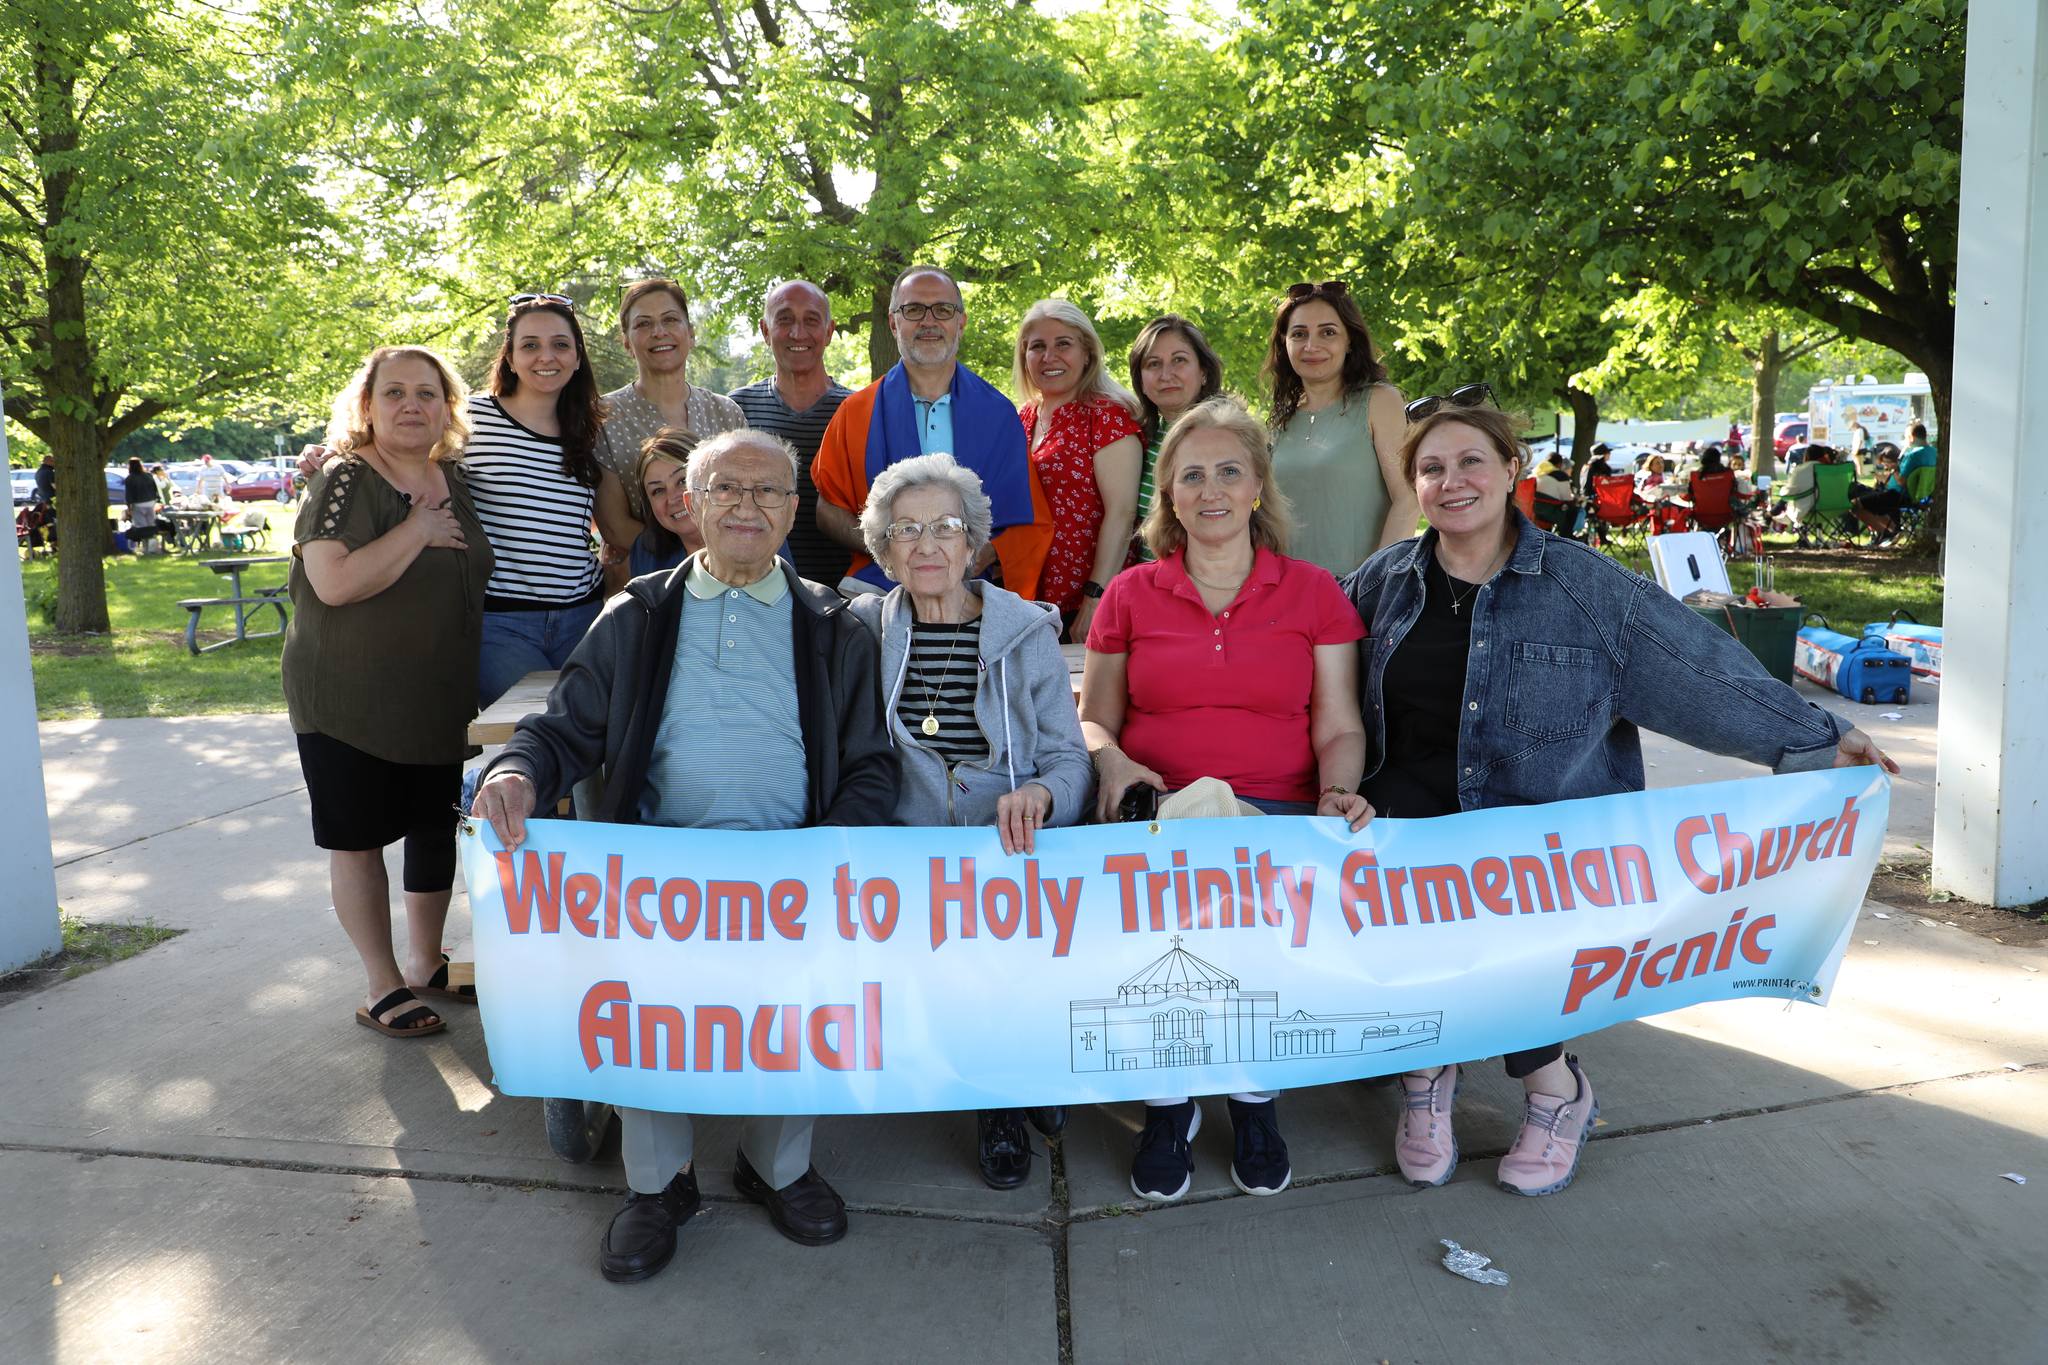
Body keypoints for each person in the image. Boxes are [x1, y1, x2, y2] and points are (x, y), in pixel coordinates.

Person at [1341, 390, 1896, 1199]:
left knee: (1519, 982)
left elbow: (1699, 673)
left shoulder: (1587, 588)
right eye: (1430, 468)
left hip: (1540, 852)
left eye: (1470, 461)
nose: (1450, 481)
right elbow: (1308, 673)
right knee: (1418, 976)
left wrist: (1811, 738)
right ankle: (1426, 1083)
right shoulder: (1382, 581)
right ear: (1412, 483)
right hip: (1407, 835)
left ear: (1510, 469)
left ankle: (1557, 1094)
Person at [469, 427, 897, 1284]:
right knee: (650, 1021)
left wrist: (834, 849)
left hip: (792, 872)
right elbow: (564, 727)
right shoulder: (638, 614)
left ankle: (776, 1166)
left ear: (792, 510)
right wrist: (514, 771)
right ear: (690, 506)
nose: (747, 505)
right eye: (726, 489)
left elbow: (870, 763)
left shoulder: (835, 622)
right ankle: (658, 1185)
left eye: (768, 491)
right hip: (661, 877)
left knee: (793, 1021)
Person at [1079, 396, 1373, 1204]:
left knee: (1244, 948)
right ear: (1169, 495)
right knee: (1166, 943)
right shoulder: (1132, 594)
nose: (1211, 489)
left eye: (1229, 471)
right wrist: (1111, 763)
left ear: (1257, 488)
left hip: (1276, 813)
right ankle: (1169, 1106)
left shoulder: (1313, 592)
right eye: (1191, 474)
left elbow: (1339, 725)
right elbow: (1095, 722)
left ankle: (1252, 1100)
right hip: (1158, 811)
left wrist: (1338, 792)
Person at [846, 452, 1093, 1190]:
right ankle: (1003, 1085)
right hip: (911, 855)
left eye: (944, 527)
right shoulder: (861, 632)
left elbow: (1071, 762)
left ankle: (1007, 1093)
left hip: (1009, 855)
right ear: (883, 549)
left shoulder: (1028, 634)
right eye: (906, 530)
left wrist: (1042, 795)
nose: (926, 545)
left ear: (973, 541)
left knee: (1002, 956)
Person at [282, 346, 494, 1042]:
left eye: (427, 393)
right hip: (349, 700)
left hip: (436, 696)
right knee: (359, 837)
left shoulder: (453, 478)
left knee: (435, 829)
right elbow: (333, 583)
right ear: (366, 407)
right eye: (394, 392)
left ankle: (425, 961)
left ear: (447, 407)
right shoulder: (345, 479)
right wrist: (417, 531)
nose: (411, 405)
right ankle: (381, 984)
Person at [812, 265, 1052, 599]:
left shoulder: (997, 413)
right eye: (913, 310)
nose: (929, 321)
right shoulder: (855, 413)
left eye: (943, 310)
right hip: (879, 590)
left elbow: (1025, 520)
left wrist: (965, 561)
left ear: (960, 323)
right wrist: (890, 549)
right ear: (894, 322)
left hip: (972, 590)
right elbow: (827, 510)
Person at [467, 294, 638, 709]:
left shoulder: (591, 430)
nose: (547, 356)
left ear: (577, 357)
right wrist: (328, 455)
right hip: (501, 624)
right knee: (538, 733)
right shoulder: (469, 419)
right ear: (509, 356)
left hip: (583, 618)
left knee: (588, 747)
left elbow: (618, 527)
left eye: (561, 344)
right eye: (530, 345)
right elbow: (396, 451)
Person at [1265, 280, 1417, 577]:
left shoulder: (1379, 401)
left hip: (1355, 590)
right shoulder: (1280, 420)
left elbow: (1408, 498)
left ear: (1350, 341)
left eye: (1328, 332)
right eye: (1299, 334)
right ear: (1285, 343)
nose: (1312, 346)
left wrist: (1376, 581)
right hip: (1285, 593)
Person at [1013, 299, 1144, 638]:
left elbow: (1122, 513)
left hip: (1087, 603)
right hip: (1027, 601)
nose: (1048, 356)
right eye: (1037, 346)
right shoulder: (1022, 418)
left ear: (1087, 353)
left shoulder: (1106, 416)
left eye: (1063, 344)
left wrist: (1094, 600)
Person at [729, 280, 854, 582]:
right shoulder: (736, 410)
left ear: (828, 331)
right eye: (784, 320)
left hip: (848, 591)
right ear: (765, 330)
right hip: (758, 588)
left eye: (811, 320)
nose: (798, 333)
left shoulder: (858, 410)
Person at [593, 279, 746, 522]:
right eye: (643, 324)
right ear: (626, 343)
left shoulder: (726, 413)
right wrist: (687, 560)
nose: (659, 332)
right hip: (644, 559)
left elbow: (745, 499)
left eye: (670, 320)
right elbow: (614, 526)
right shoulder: (603, 416)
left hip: (727, 557)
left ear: (691, 334)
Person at [1126, 315, 1226, 563]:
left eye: (1179, 360)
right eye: (1153, 364)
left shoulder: (1229, 439)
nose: (1166, 374)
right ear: (1141, 381)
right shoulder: (1137, 442)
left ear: (1203, 372)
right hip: (1149, 588)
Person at [627, 428, 704, 576]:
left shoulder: (750, 541)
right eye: (658, 490)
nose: (672, 498)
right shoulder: (646, 553)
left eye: (682, 481)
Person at [122, 457, 160, 554]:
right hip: (151, 502)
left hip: (138, 504)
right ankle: (153, 548)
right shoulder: (148, 476)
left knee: (142, 527)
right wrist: (157, 500)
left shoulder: (130, 479)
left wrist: (129, 507)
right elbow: (155, 489)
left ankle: (145, 548)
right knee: (151, 525)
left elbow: (129, 494)